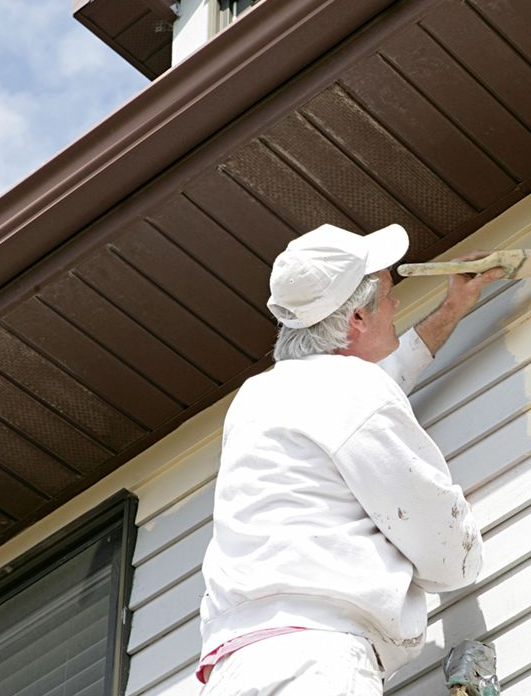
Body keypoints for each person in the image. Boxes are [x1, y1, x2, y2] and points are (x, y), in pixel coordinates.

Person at [197, 222, 503, 695]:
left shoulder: (258, 398)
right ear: (357, 319)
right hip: (314, 667)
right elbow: (450, 560)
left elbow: (358, 400)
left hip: (234, 670)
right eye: (388, 292)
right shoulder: (355, 396)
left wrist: (451, 310)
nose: (397, 303)